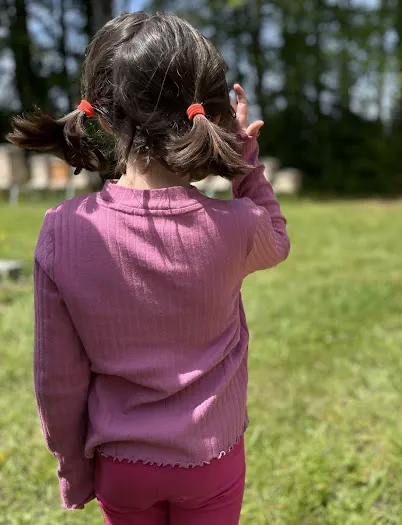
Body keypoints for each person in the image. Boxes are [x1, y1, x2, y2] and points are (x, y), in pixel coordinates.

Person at [7, 12, 290, 525]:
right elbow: (277, 240)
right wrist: (245, 156)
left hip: (121, 465)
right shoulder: (237, 225)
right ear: (206, 110)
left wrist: (74, 468)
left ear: (98, 111)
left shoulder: (63, 230)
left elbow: (57, 380)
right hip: (211, 458)